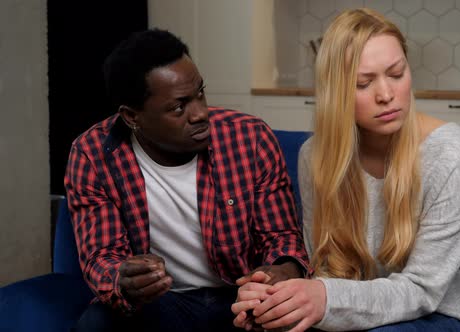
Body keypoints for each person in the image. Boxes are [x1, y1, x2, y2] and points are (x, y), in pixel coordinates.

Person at [232, 8, 460, 332]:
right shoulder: (315, 157)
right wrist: (275, 300)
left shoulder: (453, 154)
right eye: (363, 83)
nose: (386, 95)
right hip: (365, 313)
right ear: (336, 93)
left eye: (396, 74)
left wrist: (324, 298)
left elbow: (422, 291)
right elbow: (323, 269)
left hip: (455, 315)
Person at [64, 28, 310, 332]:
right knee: (97, 323)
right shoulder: (92, 155)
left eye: (200, 94)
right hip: (163, 305)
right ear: (132, 117)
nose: (200, 114)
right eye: (179, 107)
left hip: (239, 299)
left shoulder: (250, 138)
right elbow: (102, 256)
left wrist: (281, 272)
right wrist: (124, 280)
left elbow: (281, 236)